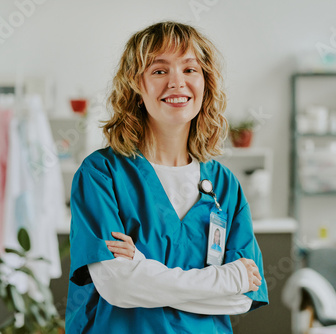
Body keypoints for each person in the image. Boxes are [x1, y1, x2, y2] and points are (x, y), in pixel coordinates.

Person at [65, 21, 268, 334]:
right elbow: (119, 286)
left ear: (206, 82)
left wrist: (143, 270)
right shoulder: (102, 174)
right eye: (160, 71)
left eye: (190, 70)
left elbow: (242, 298)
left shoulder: (225, 185)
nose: (177, 83)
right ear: (136, 84)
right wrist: (227, 279)